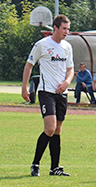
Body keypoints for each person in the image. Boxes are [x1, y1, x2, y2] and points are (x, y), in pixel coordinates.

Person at [20, 14, 74, 177]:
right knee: (50, 128)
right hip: (46, 92)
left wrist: (66, 82)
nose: (66, 32)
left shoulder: (67, 47)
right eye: (64, 29)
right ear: (55, 28)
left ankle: (54, 168)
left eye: (68, 29)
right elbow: (29, 65)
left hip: (61, 94)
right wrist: (24, 88)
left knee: (57, 130)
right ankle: (35, 164)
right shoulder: (42, 45)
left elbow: (70, 69)